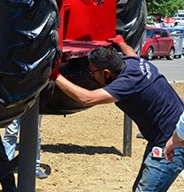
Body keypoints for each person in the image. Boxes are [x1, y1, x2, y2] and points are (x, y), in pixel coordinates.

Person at [52, 35, 184, 191]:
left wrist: (55, 75)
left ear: (107, 73)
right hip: (167, 135)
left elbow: (86, 99)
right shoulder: (133, 63)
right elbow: (131, 52)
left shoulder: (126, 83)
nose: (91, 74)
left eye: (93, 71)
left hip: (172, 143)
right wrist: (120, 42)